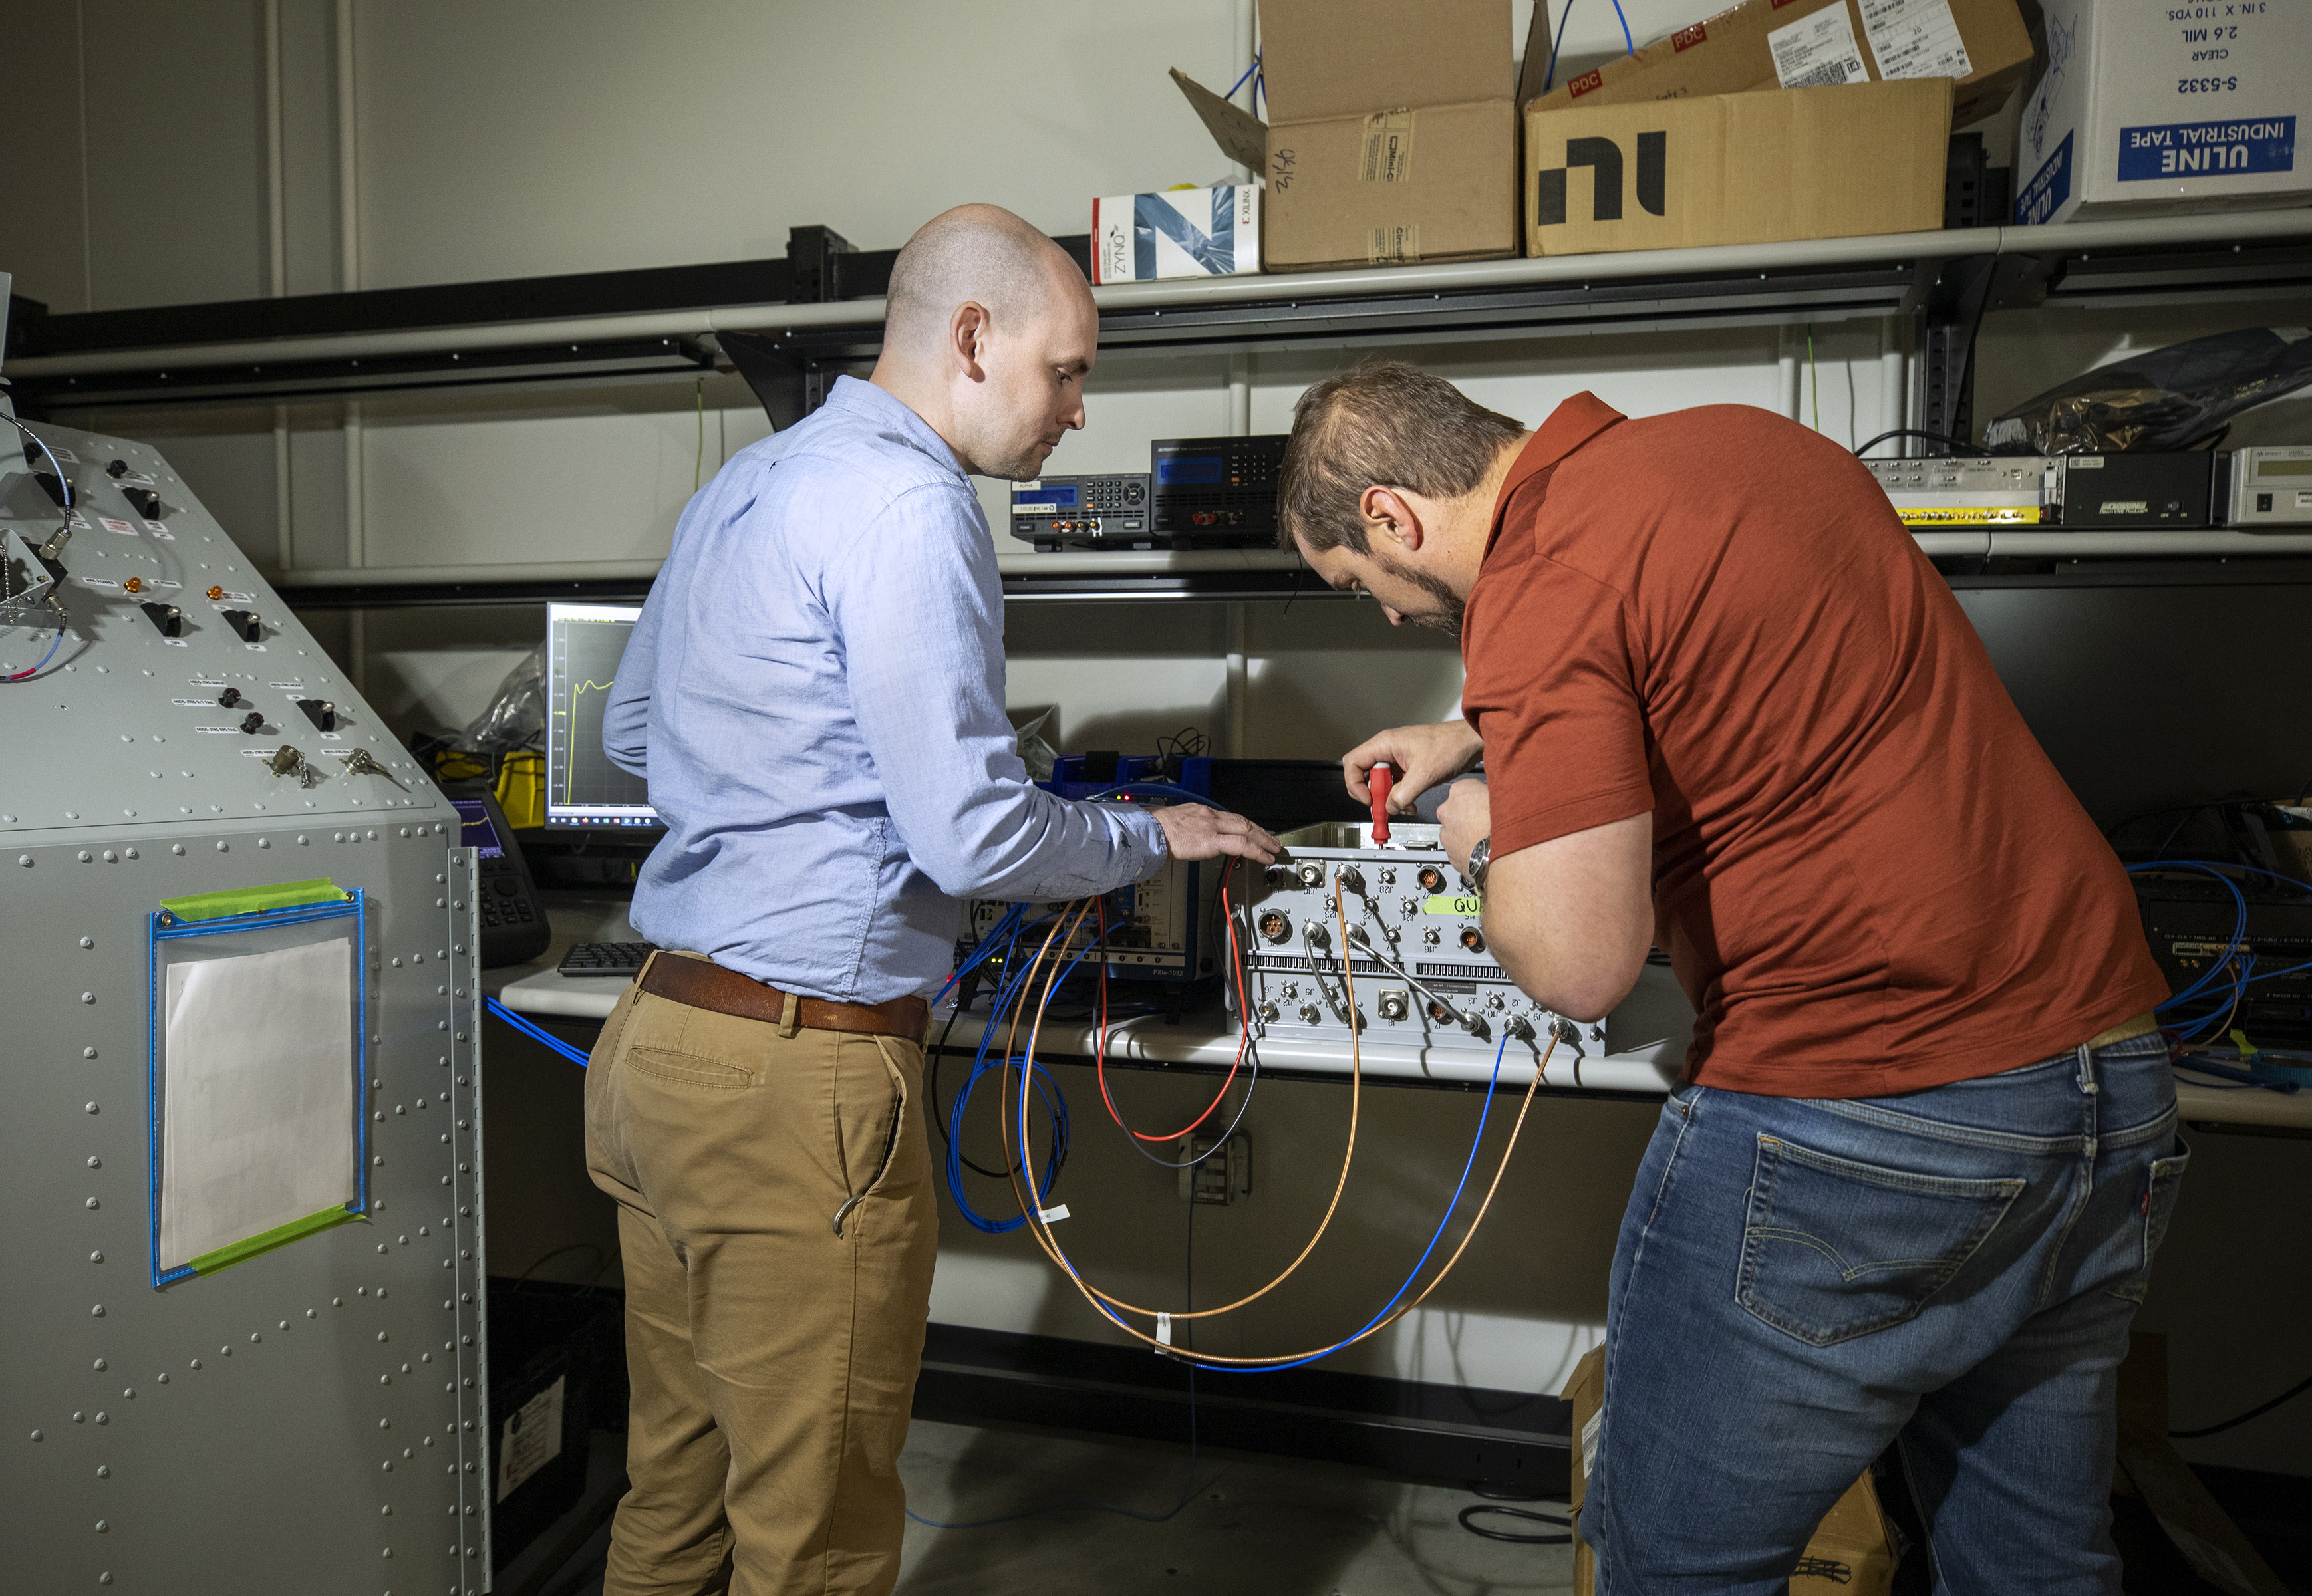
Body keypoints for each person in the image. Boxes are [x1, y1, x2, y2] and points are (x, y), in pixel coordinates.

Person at [1284, 360, 2179, 1593]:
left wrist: (1492, 831)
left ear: (1388, 516)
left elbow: (1581, 966)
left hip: (1866, 1116)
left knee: (1672, 1567)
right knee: (2034, 1564)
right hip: (2104, 1082)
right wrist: (1485, 730)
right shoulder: (1746, 447)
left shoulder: (1538, 582)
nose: (1386, 615)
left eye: (1359, 584)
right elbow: (1718, 656)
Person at [587, 203, 1278, 1596]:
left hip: (656, 1055)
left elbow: (628, 739)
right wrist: (1145, 839)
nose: (1078, 411)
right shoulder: (911, 505)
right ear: (972, 338)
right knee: (816, 1541)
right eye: (1068, 371)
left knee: (677, 1494)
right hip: (796, 1084)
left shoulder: (750, 481)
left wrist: (785, 794)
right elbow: (968, 837)